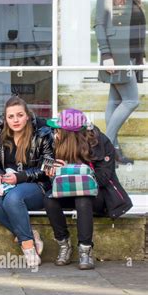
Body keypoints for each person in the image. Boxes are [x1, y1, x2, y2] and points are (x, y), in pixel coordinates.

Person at [44, 109, 131, 270]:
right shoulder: (59, 143)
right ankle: (64, 245)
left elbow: (104, 177)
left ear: (69, 133)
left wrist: (72, 170)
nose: (56, 132)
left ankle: (85, 250)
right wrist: (54, 173)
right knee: (49, 200)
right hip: (68, 191)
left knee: (82, 198)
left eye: (58, 129)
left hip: (97, 195)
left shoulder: (101, 143)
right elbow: (55, 182)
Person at [0, 96, 52, 269]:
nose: (15, 120)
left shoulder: (43, 134)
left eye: (19, 115)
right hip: (8, 183)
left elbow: (47, 168)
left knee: (12, 198)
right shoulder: (2, 136)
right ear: (6, 119)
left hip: (37, 186)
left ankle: (27, 246)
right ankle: (29, 234)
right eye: (11, 116)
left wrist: (20, 177)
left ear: (27, 116)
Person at [95, 0, 145, 164]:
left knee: (115, 101)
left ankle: (114, 153)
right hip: (115, 57)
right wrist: (106, 54)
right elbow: (99, 25)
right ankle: (104, 147)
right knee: (132, 100)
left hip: (128, 56)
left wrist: (139, 57)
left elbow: (136, 28)